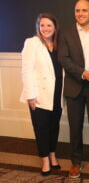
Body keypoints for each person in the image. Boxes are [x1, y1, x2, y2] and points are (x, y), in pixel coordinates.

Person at [57, 0, 89, 178]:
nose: (80, 13)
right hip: (74, 85)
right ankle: (76, 162)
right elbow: (63, 58)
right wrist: (82, 73)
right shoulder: (65, 33)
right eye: (77, 10)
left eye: (84, 10)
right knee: (75, 126)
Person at [20, 13, 62, 176]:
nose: (45, 28)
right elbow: (26, 70)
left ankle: (53, 154)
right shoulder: (32, 43)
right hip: (38, 95)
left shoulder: (59, 44)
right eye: (42, 25)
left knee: (54, 127)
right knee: (41, 128)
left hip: (57, 93)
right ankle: (45, 159)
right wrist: (30, 95)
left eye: (49, 25)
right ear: (38, 27)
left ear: (55, 27)